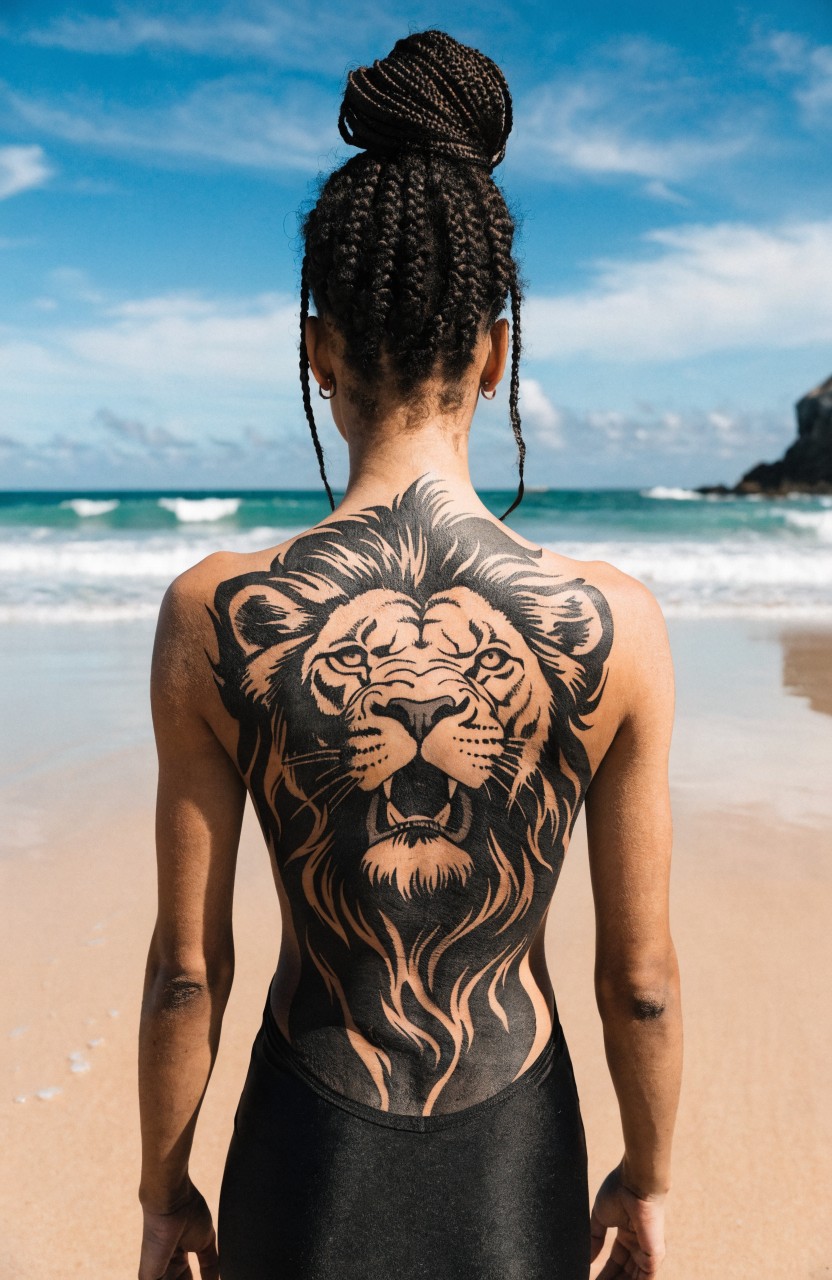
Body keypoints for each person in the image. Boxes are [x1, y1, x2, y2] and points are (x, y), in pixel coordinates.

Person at [137, 29, 681, 1280]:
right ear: (493, 355)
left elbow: (185, 968)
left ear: (319, 349)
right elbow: (639, 977)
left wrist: (164, 1188)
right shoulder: (615, 623)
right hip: (516, 1145)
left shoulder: (211, 612)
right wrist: (646, 1175)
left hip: (301, 1143)